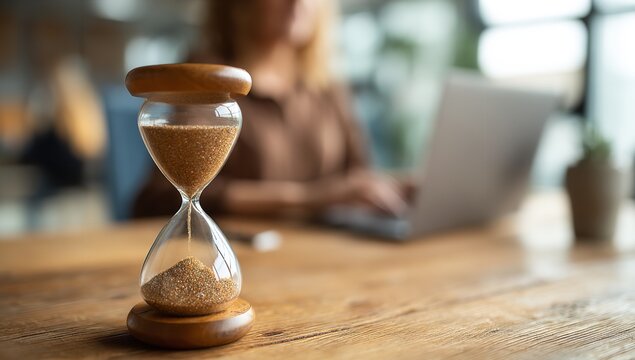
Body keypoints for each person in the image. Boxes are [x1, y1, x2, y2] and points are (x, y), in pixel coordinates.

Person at [133, 0, 407, 218]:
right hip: (244, 254)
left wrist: (408, 187)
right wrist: (310, 198)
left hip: (324, 256)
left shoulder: (327, 87)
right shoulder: (206, 80)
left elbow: (357, 178)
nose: (297, 1)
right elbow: (161, 197)